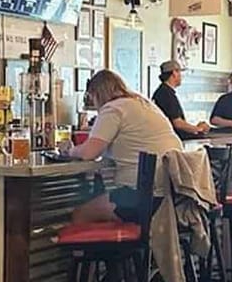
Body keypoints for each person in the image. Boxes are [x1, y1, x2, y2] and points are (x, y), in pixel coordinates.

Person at [66, 69, 181, 225]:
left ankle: (114, 241)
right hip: (170, 195)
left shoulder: (113, 108)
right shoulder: (144, 104)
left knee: (80, 215)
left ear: (97, 94)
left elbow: (89, 153)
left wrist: (69, 150)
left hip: (140, 197)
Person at [152, 60, 209, 138]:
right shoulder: (167, 94)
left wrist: (194, 128)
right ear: (174, 73)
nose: (181, 76)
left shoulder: (163, 91)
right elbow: (178, 123)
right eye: (179, 72)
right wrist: (199, 129)